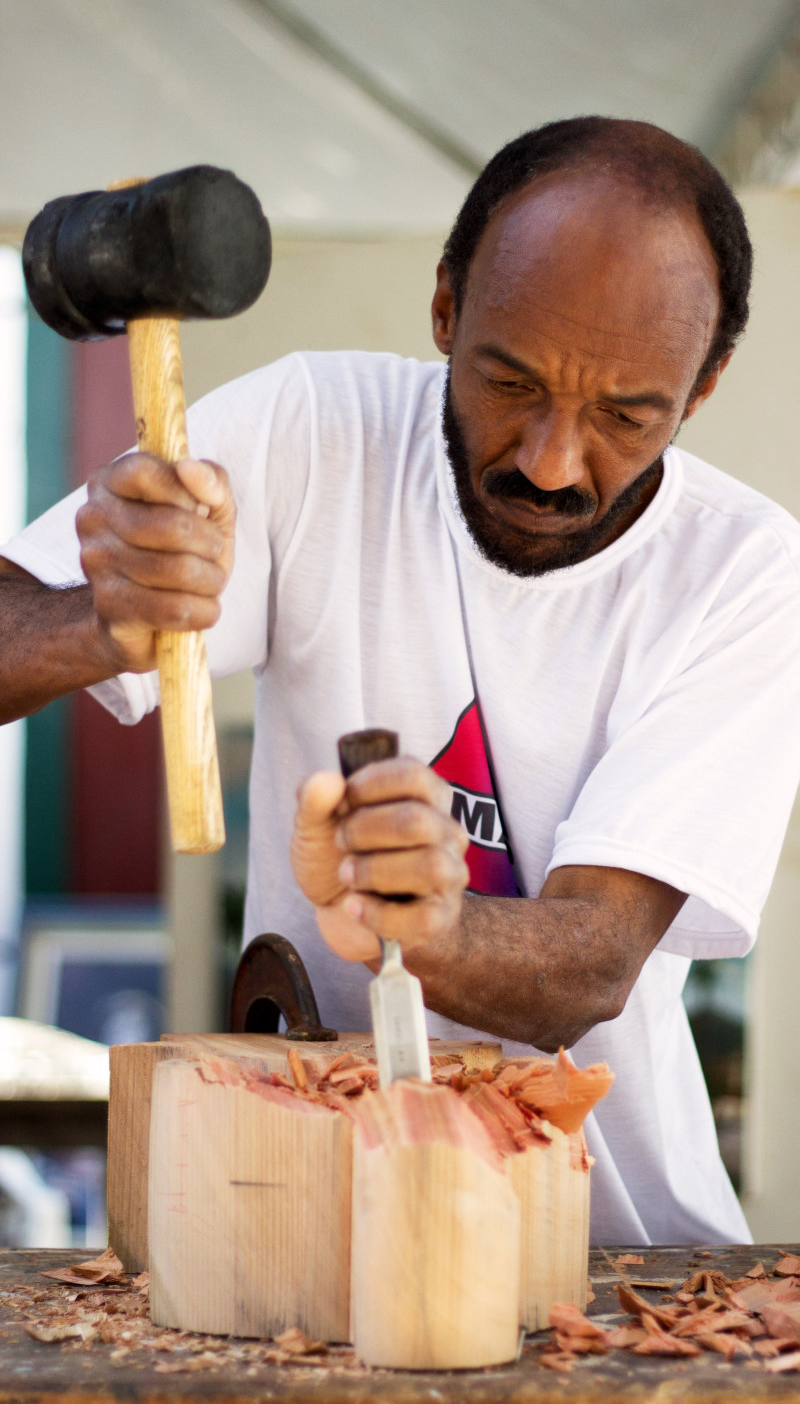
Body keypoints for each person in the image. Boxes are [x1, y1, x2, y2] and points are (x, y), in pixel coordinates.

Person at [2, 116, 800, 1247]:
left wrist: (427, 927)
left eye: (625, 416)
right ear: (443, 310)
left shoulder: (740, 571)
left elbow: (591, 961)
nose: (548, 461)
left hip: (618, 1252)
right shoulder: (311, 430)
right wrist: (100, 619)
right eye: (509, 381)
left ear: (703, 385)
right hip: (304, 1225)